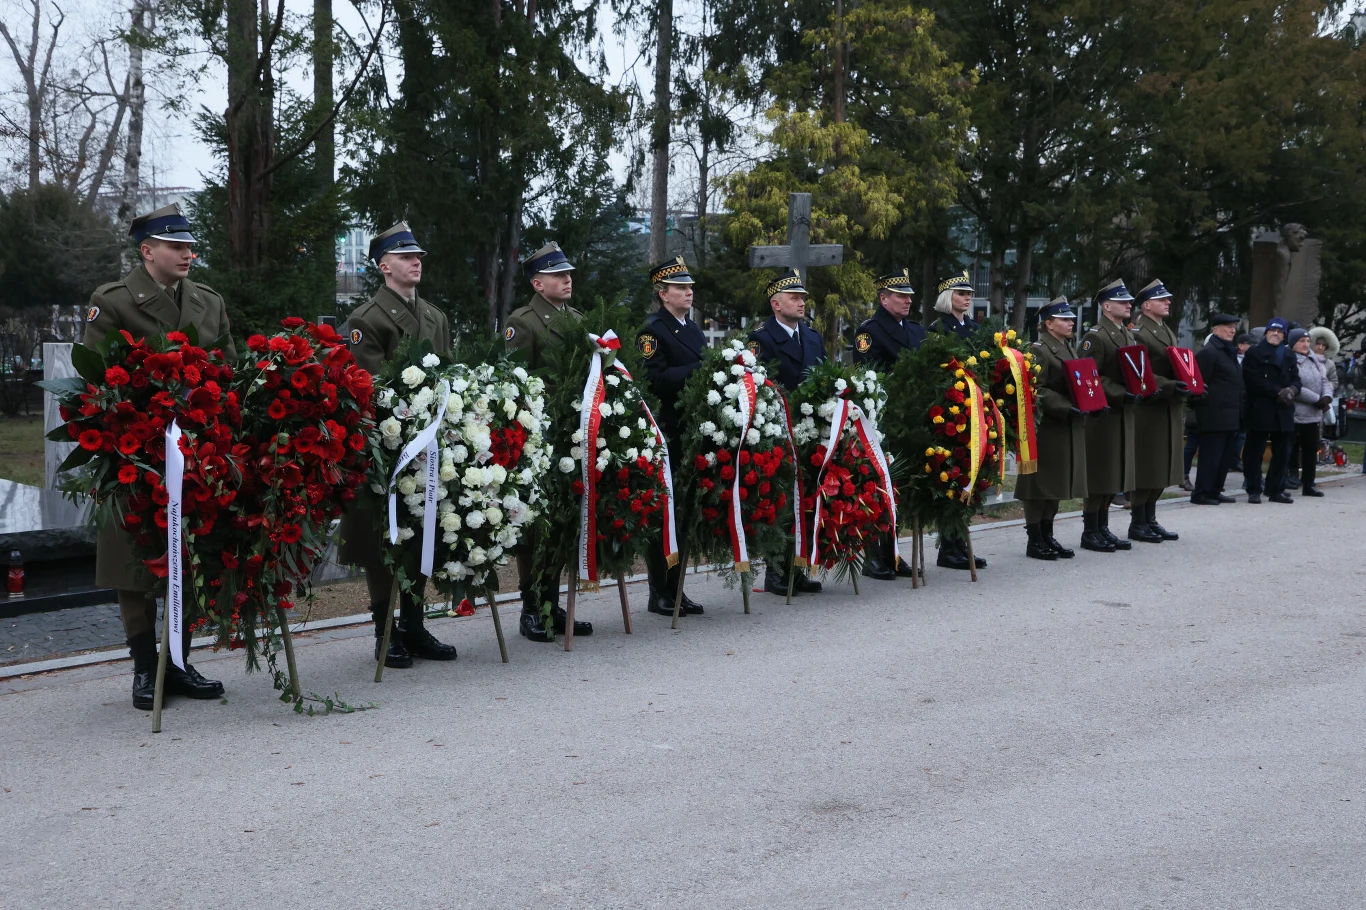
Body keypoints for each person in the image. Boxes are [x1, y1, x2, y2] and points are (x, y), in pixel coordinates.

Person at [82, 203, 233, 709]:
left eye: (189, 245)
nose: (187, 253)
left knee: (191, 549)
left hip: (195, 451)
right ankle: (146, 668)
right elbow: (97, 380)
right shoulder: (115, 302)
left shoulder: (208, 303)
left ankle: (181, 662)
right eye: (175, 246)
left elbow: (228, 370)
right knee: (134, 559)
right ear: (147, 252)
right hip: (135, 452)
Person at [339, 222, 458, 669]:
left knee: (424, 530)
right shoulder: (366, 318)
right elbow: (367, 385)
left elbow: (446, 374)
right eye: (407, 257)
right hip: (387, 446)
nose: (416, 262)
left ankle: (414, 623)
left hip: (430, 446)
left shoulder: (434, 316)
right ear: (383, 266)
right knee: (383, 539)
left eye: (419, 256)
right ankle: (384, 631)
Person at [504, 242, 594, 642]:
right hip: (540, 434)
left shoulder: (577, 319)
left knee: (563, 520)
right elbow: (515, 381)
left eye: (568, 273)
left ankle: (552, 603)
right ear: (538, 283)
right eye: (558, 275)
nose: (567, 279)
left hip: (574, 434)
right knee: (535, 525)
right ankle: (529, 607)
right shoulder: (523, 322)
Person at [747, 268, 825, 597]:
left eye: (803, 298)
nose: (801, 302)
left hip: (810, 430)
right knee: (780, 502)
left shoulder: (812, 336)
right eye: (794, 298)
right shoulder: (761, 340)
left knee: (806, 500)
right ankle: (776, 571)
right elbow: (759, 386)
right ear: (776, 304)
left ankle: (799, 567)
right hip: (779, 431)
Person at [636, 257, 706, 617]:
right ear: (663, 294)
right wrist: (698, 369)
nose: (688, 292)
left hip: (693, 429)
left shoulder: (692, 329)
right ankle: (659, 590)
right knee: (664, 513)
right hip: (666, 430)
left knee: (685, 510)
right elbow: (655, 379)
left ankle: (677, 588)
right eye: (680, 287)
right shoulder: (653, 331)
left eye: (689, 287)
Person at [852, 268, 923, 580]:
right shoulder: (869, 332)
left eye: (909, 296)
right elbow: (869, 377)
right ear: (883, 299)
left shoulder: (916, 331)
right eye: (900, 296)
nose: (907, 301)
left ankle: (893, 551)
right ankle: (873, 555)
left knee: (902, 487)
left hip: (911, 419)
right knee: (880, 487)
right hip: (883, 419)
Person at [1014, 298, 1086, 559]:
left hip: (1063, 426)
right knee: (1039, 484)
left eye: (1071, 319)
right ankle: (1034, 539)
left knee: (1054, 483)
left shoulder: (1066, 347)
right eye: (1064, 319)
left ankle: (1048, 534)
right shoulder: (1039, 349)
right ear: (1048, 324)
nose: (1070, 322)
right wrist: (1066, 406)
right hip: (1046, 427)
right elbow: (1036, 389)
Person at [1078, 279, 1139, 552]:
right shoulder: (1096, 336)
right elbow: (1089, 376)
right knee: (1100, 472)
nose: (1128, 305)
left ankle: (1102, 526)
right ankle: (1090, 529)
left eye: (1128, 301)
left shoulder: (1125, 333)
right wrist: (1119, 392)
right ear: (1106, 306)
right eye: (1123, 301)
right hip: (1102, 415)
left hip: (1121, 413)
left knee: (1112, 471)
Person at [1128, 279, 1186, 543]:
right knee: (1149, 465)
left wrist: (1191, 382)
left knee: (1163, 463)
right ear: (1147, 305)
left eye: (1168, 299)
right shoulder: (1140, 332)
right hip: (1150, 406)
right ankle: (1138, 521)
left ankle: (1150, 518)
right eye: (1162, 299)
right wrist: (1172, 385)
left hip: (1168, 404)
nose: (1168, 303)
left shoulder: (1163, 329)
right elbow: (1144, 373)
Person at [1241, 317, 1299, 504]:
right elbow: (1253, 380)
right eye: (1272, 331)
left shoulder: (1289, 355)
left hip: (1284, 409)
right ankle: (1254, 489)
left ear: (1284, 336)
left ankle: (1275, 489)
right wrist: (1277, 392)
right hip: (1261, 407)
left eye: (1280, 332)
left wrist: (1292, 390)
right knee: (1254, 451)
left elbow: (1296, 379)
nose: (1275, 334)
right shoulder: (1255, 354)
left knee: (1282, 453)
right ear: (1266, 333)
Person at [1191, 314, 1244, 505]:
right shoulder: (1209, 352)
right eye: (1228, 326)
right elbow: (1197, 384)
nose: (1232, 330)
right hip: (1214, 414)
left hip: (1231, 414)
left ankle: (1215, 490)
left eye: (1233, 327)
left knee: (1224, 457)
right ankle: (1201, 493)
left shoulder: (1228, 351)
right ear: (1215, 330)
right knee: (1210, 457)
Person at [1289, 327, 1332, 497]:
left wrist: (1327, 396)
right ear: (1293, 343)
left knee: (1310, 450)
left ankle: (1309, 483)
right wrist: (1317, 399)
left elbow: (1324, 380)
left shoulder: (1315, 360)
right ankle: (1288, 478)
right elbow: (1295, 386)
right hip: (1296, 413)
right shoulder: (1290, 360)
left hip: (1314, 415)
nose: (1306, 344)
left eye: (1308, 341)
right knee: (1290, 449)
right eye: (1301, 341)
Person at [930, 270, 980, 340]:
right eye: (961, 294)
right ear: (947, 297)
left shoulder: (976, 327)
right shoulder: (938, 328)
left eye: (969, 294)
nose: (968, 298)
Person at [1231, 333, 1255, 471]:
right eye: (1249, 344)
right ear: (1240, 345)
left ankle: (1235, 459)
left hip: (1246, 402)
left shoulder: (1251, 360)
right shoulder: (1234, 359)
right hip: (1235, 401)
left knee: (1242, 434)